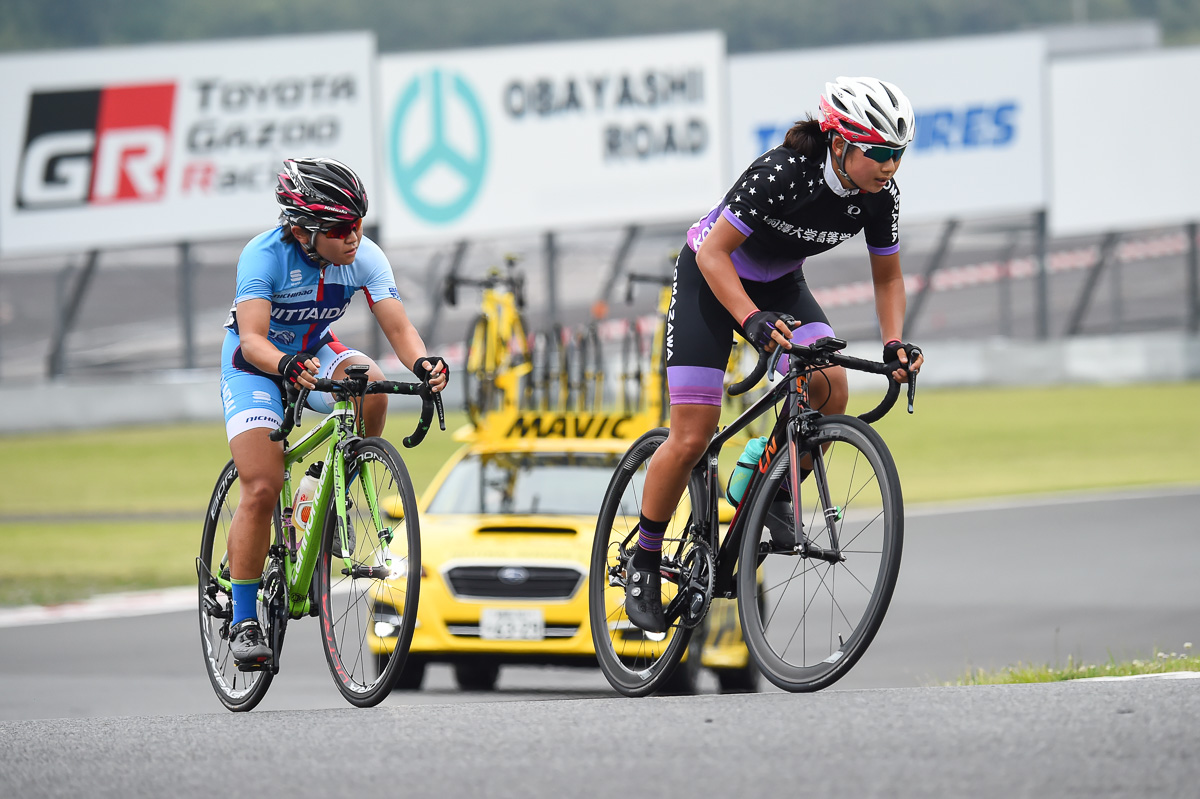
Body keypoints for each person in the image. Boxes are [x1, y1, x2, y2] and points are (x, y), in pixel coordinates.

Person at [624, 76, 925, 632]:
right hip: (709, 281)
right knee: (691, 435)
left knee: (830, 386)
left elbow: (888, 277)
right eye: (879, 152)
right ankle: (643, 556)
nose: (889, 167)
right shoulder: (783, 172)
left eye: (898, 155)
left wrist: (894, 342)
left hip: (780, 283)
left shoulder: (881, 197)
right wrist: (750, 320)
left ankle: (768, 484)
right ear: (840, 143)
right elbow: (714, 254)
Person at [219, 157, 448, 667]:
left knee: (370, 385)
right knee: (261, 484)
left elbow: (398, 327)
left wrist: (424, 361)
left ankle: (328, 485)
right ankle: (243, 618)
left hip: (315, 352)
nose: (354, 238)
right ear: (303, 230)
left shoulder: (363, 255)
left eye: (360, 225)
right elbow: (253, 339)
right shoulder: (264, 256)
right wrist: (285, 362)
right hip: (256, 365)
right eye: (342, 228)